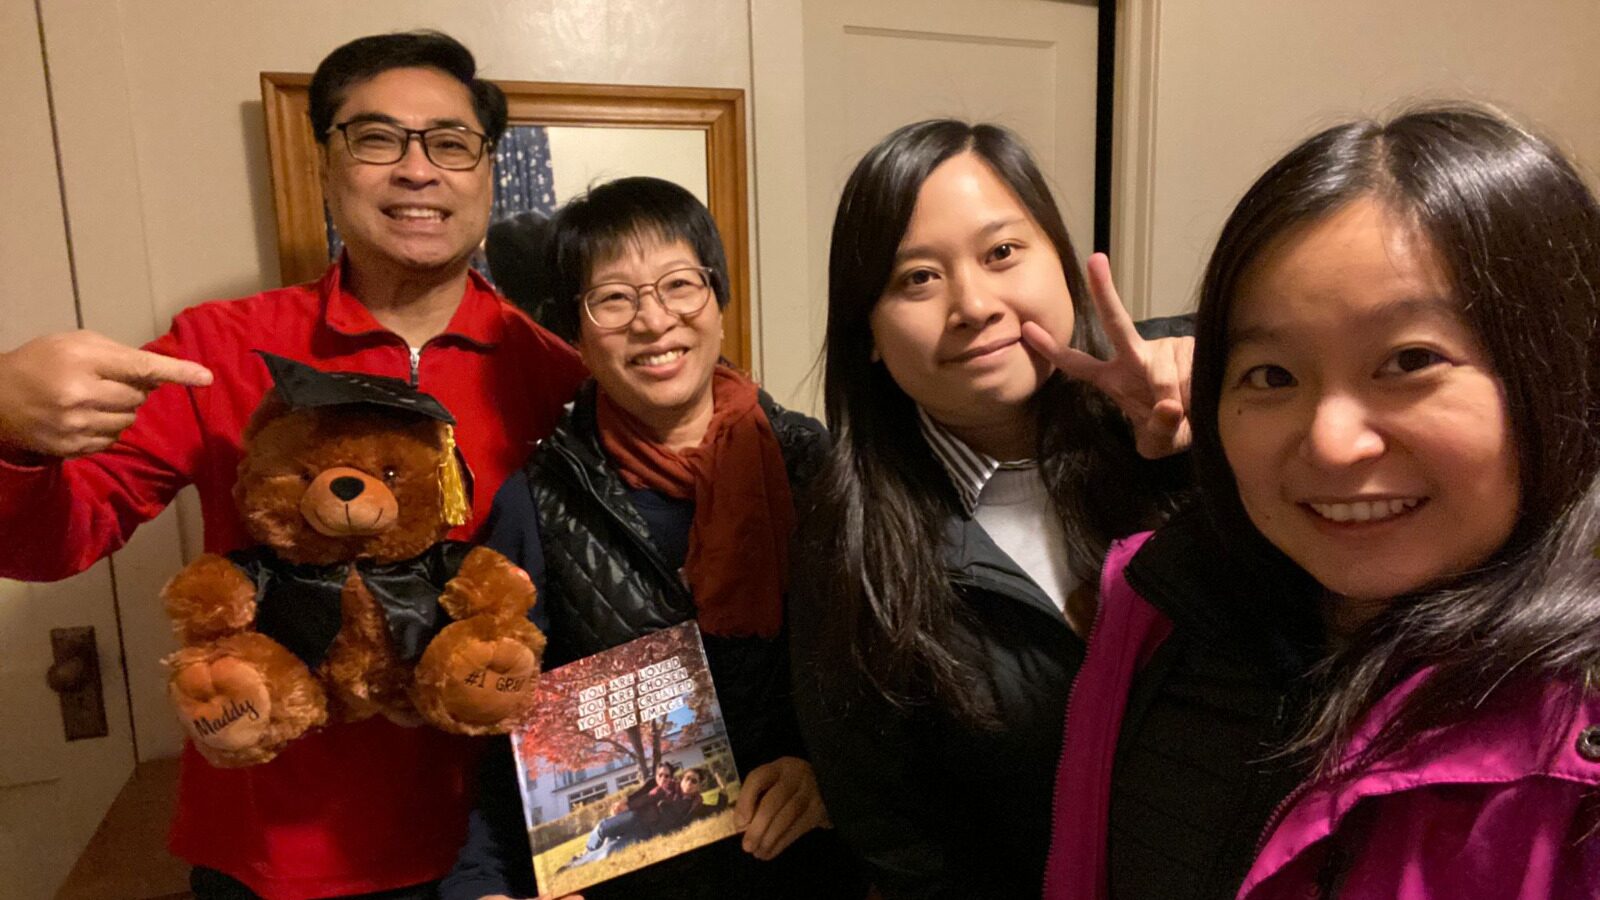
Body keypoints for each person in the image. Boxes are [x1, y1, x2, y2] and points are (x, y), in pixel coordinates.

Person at [0, 31, 588, 900]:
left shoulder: (556, 374)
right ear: (326, 164)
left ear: (488, 171)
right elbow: (52, 543)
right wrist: (9, 428)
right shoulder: (218, 350)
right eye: (377, 139)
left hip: (502, 850)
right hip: (279, 857)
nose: (417, 170)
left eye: (450, 143)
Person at [1045, 106, 1600, 899]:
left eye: (1410, 360)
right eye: (1272, 375)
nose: (1332, 444)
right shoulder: (1158, 608)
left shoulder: (1575, 768)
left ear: (1561, 372)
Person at [788, 119, 1198, 899]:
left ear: (1062, 262)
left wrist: (1226, 421)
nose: (973, 304)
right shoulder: (850, 546)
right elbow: (901, 848)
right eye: (917, 278)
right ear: (866, 330)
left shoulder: (1192, 420)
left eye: (1002, 252)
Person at [441, 176, 865, 900]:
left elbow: (877, 680)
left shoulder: (815, 465)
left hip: (806, 873)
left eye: (679, 285)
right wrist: (485, 885)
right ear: (574, 333)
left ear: (718, 300)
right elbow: (501, 728)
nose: (653, 320)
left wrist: (827, 774)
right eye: (613, 298)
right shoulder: (538, 502)